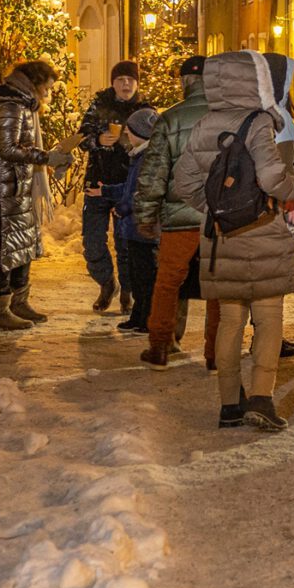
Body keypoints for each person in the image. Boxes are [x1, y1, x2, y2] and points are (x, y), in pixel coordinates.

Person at [172, 51, 294, 430]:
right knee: (268, 318)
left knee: (230, 321)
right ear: (256, 81)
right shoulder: (258, 122)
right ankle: (262, 398)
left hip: (220, 238)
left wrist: (217, 208)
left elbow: (183, 184)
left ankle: (229, 403)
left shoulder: (204, 124)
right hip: (263, 230)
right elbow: (271, 178)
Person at [0, 60, 74, 331]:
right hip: (0, 191)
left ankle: (18, 301)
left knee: (21, 245)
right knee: (3, 249)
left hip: (13, 188)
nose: (48, 94)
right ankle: (0, 310)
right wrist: (47, 157)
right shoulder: (12, 106)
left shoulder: (20, 104)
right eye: (47, 88)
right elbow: (9, 149)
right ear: (35, 83)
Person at [136, 55, 216, 369]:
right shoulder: (227, 116)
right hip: (217, 217)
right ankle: (214, 354)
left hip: (179, 215)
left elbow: (154, 172)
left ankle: (159, 347)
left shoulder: (169, 119)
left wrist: (146, 215)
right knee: (218, 288)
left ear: (184, 82)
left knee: (168, 281)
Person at [79, 60, 149, 314]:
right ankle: (107, 283)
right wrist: (97, 139)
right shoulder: (99, 105)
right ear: (113, 83)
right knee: (93, 241)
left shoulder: (144, 109)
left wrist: (126, 143)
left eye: (130, 79)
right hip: (97, 182)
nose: (125, 84)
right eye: (120, 79)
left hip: (128, 186)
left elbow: (155, 143)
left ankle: (128, 291)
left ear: (137, 83)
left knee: (126, 244)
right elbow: (82, 138)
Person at [109, 108, 162, 334]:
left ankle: (146, 318)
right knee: (137, 274)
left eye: (129, 130)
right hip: (136, 227)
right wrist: (107, 192)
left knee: (145, 275)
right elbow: (131, 187)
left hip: (144, 226)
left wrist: (123, 207)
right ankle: (138, 316)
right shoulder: (139, 155)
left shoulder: (148, 158)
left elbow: (142, 192)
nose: (126, 133)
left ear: (140, 132)